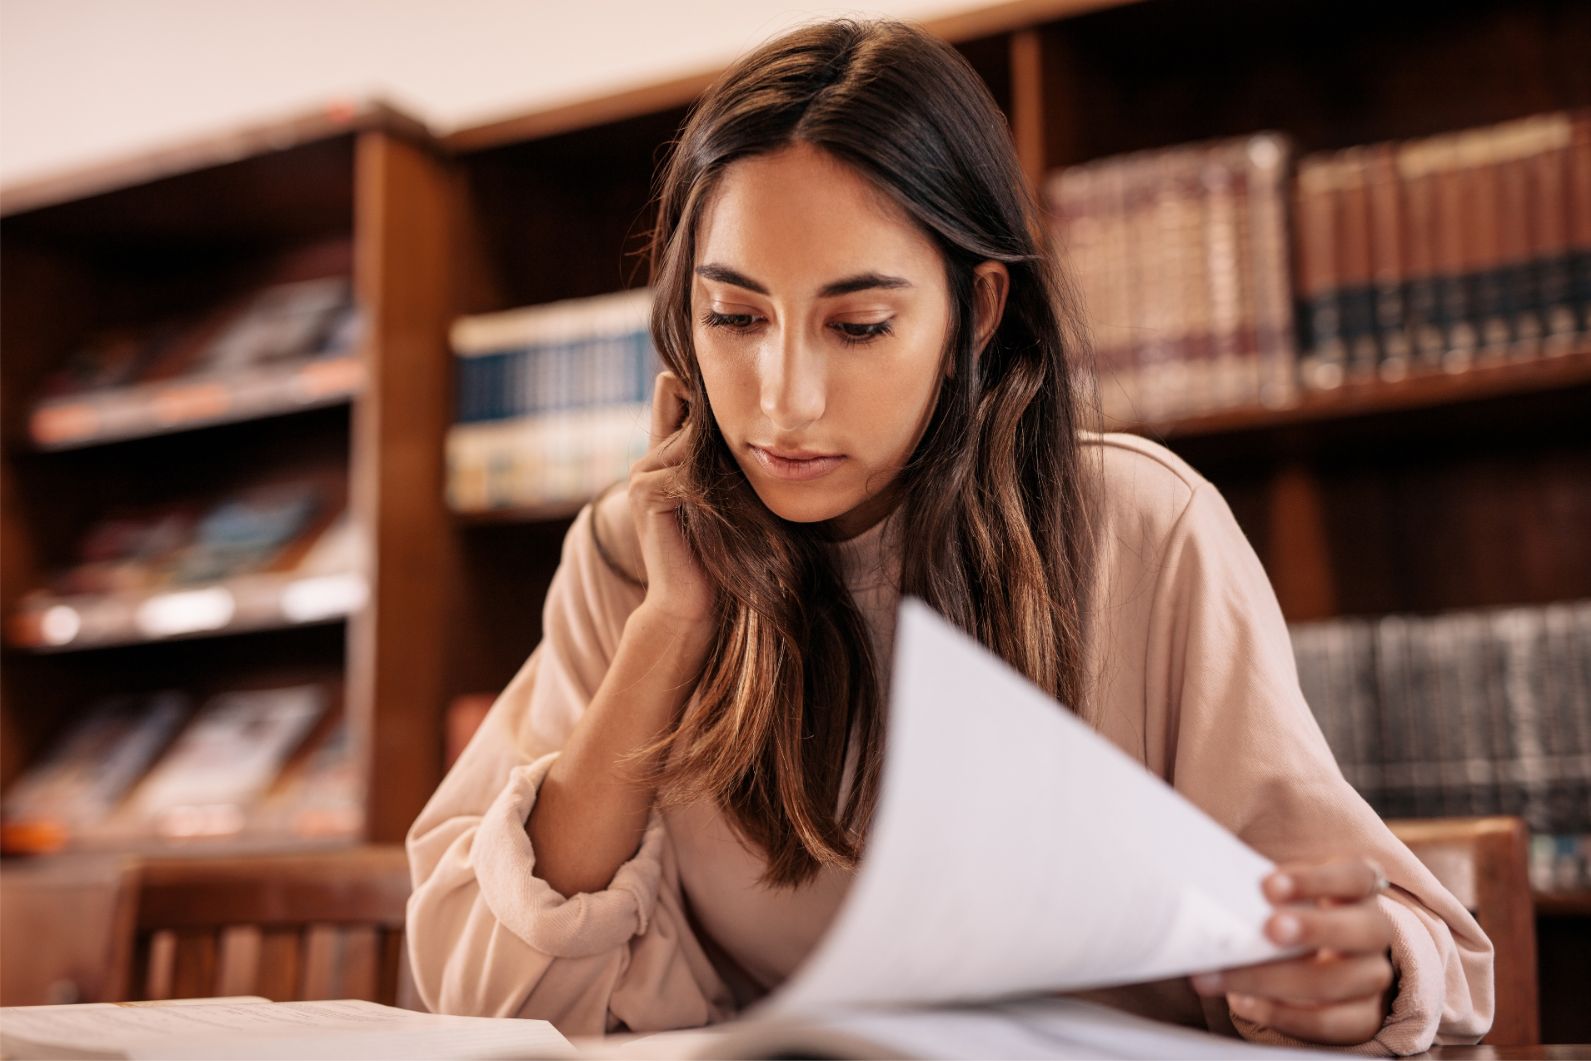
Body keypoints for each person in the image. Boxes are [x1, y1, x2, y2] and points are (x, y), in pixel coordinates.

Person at [405, 17, 1492, 1053]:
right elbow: (490, 986)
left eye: (859, 325)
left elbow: (1388, 945)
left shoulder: (1142, 530)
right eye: (733, 317)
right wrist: (671, 625)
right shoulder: (633, 554)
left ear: (973, 311)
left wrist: (1353, 974)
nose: (782, 401)